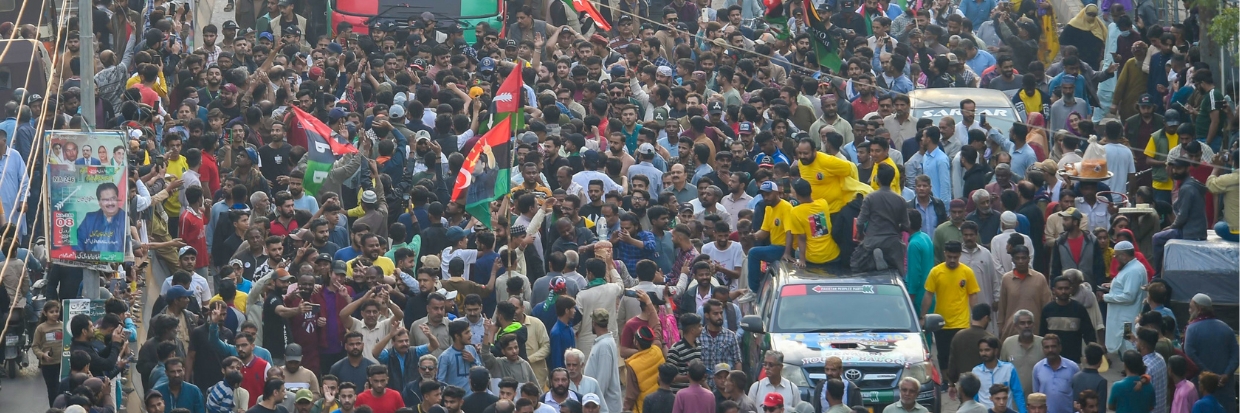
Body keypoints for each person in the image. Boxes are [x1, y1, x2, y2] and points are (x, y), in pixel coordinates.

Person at [922, 241, 979, 368]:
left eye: (955, 257)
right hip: (941, 322)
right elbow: (928, 295)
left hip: (961, 323)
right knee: (943, 355)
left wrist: (975, 317)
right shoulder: (936, 272)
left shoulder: (967, 272)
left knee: (961, 354)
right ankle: (946, 382)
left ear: (960, 255)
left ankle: (959, 381)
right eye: (949, 257)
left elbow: (973, 295)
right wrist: (923, 316)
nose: (952, 260)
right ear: (944, 254)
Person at [1184, 293, 1239, 412]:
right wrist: (1226, 374)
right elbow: (1236, 356)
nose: (1189, 311)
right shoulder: (1226, 328)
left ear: (1199, 309)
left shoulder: (1192, 329)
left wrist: (1208, 374)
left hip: (1203, 387)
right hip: (1225, 387)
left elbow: (1190, 355)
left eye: (1191, 307)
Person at [1102, 241, 1147, 355]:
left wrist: (1106, 297)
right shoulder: (1131, 267)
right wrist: (1111, 286)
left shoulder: (1133, 271)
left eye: (1116, 255)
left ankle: (1131, 369)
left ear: (1123, 256)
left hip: (1127, 320)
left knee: (1129, 346)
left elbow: (1129, 297)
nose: (1115, 258)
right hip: (1125, 318)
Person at [1039, 276, 1097, 363]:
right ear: (1054, 290)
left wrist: (1093, 353)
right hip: (1052, 358)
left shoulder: (1079, 309)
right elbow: (1042, 335)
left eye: (1066, 288)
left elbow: (1089, 333)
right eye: (1060, 288)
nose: (1063, 291)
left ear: (1071, 289)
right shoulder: (1047, 310)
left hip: (1073, 359)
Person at [973, 336, 1026, 413]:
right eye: (981, 350)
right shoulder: (976, 371)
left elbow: (1017, 392)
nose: (983, 353)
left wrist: (1023, 411)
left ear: (996, 351)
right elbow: (975, 396)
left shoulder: (1008, 368)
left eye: (987, 350)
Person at [1031, 334, 1079, 413]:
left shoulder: (1072, 367)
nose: (1050, 350)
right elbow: (1036, 395)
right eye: (1047, 347)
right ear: (1043, 349)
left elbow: (1078, 395)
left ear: (1060, 348)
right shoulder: (1037, 368)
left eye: (1053, 346)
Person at [74, 182, 127, 253]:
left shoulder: (125, 218)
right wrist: (82, 259)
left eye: (113, 198)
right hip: (90, 262)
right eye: (106, 200)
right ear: (99, 202)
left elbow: (128, 245)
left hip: (116, 263)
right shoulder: (90, 219)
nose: (110, 203)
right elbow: (78, 241)